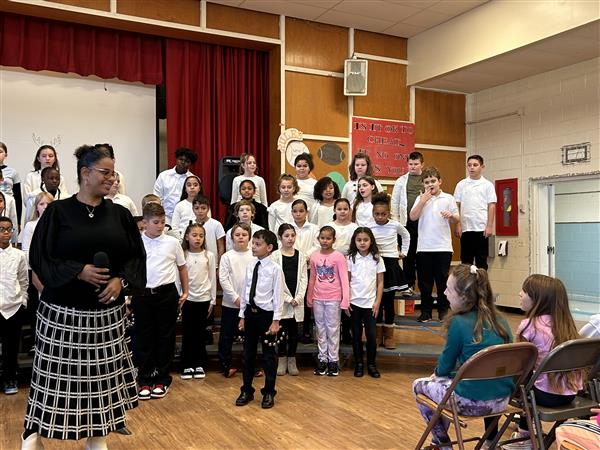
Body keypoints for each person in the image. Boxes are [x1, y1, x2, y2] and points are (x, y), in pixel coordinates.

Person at [24, 144, 146, 449]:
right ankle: (32, 433)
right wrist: (78, 271)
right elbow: (40, 258)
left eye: (113, 172)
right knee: (53, 379)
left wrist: (120, 280)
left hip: (106, 318)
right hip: (61, 315)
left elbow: (136, 258)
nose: (111, 178)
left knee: (99, 381)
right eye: (105, 172)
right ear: (85, 173)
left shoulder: (119, 214)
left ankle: (97, 437)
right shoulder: (57, 211)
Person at [412, 264, 514, 450]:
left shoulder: (459, 323)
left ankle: (442, 443)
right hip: (502, 401)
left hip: (470, 403)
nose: (444, 293)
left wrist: (438, 375)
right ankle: (490, 441)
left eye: (448, 289)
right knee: (459, 383)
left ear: (464, 296)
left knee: (420, 385)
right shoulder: (501, 321)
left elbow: (443, 368)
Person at [502, 275, 584, 450]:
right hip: (570, 394)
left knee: (521, 381)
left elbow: (520, 366)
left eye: (524, 292)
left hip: (544, 395)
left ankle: (524, 437)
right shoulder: (566, 326)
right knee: (532, 380)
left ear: (537, 299)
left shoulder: (529, 325)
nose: (519, 294)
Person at [132, 202, 189, 401]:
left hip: (166, 294)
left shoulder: (172, 243)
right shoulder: (137, 242)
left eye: (163, 222)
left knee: (166, 336)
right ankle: (145, 378)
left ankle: (162, 378)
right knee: (143, 337)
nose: (160, 226)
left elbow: (182, 267)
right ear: (145, 222)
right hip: (142, 294)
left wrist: (186, 290)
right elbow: (132, 270)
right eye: (156, 222)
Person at [236, 229, 283, 409]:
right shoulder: (251, 266)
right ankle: (246, 389)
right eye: (253, 243)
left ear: (269, 248)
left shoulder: (274, 269)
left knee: (269, 356)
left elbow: (278, 295)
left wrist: (276, 320)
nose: (253, 247)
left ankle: (269, 392)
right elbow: (245, 291)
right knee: (248, 355)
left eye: (257, 244)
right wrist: (242, 315)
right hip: (250, 313)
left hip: (266, 315)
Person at [410, 167, 459, 323]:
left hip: (443, 247)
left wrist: (451, 216)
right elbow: (412, 217)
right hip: (424, 247)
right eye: (426, 182)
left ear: (439, 182)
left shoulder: (448, 198)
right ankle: (426, 311)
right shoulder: (421, 198)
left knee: (442, 281)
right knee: (424, 282)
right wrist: (423, 201)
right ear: (423, 184)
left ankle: (443, 311)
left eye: (433, 181)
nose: (430, 184)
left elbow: (457, 218)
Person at [307, 226, 350, 377]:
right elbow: (312, 278)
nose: (325, 241)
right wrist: (309, 296)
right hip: (318, 298)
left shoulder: (338, 257)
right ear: (318, 238)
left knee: (332, 329)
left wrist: (345, 300)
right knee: (320, 329)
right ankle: (322, 359)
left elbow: (344, 279)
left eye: (328, 238)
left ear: (334, 240)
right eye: (322, 238)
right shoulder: (314, 256)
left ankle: (333, 361)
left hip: (334, 298)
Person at [371, 192, 410, 349]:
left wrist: (404, 252)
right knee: (377, 302)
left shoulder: (395, 225)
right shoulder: (369, 226)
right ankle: (377, 334)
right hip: (375, 265)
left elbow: (406, 236)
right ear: (373, 213)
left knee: (389, 302)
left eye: (383, 214)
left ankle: (389, 336)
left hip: (391, 264)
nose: (380, 217)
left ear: (389, 213)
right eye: (377, 214)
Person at [179, 223, 216, 381]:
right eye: (194, 235)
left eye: (201, 236)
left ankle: (200, 363)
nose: (198, 238)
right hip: (188, 300)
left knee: (200, 333)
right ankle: (187, 364)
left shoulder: (209, 255)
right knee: (188, 333)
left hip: (204, 299)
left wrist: (212, 301)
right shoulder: (183, 255)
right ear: (187, 237)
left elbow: (212, 279)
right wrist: (181, 297)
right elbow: (179, 278)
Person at [347, 227, 385, 378]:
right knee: (356, 335)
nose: (362, 243)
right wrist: (346, 300)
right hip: (354, 303)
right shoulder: (350, 258)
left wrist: (377, 302)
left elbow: (380, 282)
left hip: (370, 304)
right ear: (354, 241)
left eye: (365, 240)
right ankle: (359, 364)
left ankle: (371, 364)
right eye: (359, 240)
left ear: (371, 241)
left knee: (371, 335)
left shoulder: (377, 258)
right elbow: (347, 280)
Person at [218, 223, 254, 378]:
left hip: (251, 304)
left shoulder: (254, 255)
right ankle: (226, 364)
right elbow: (223, 279)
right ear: (231, 237)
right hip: (231, 303)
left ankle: (250, 366)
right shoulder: (227, 256)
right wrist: (235, 298)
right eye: (237, 235)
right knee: (226, 336)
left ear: (249, 237)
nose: (241, 237)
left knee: (250, 337)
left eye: (244, 235)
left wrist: (248, 300)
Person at [272, 224, 308, 376]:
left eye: (292, 235)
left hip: (296, 300)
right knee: (281, 331)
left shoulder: (301, 256)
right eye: (286, 236)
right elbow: (275, 280)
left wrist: (299, 297)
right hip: (282, 299)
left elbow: (303, 278)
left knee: (294, 333)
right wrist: (286, 298)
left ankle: (292, 359)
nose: (290, 239)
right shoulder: (274, 256)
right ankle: (281, 358)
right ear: (280, 238)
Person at [20, 192, 54, 342]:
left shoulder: (59, 225)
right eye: (42, 204)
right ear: (36, 208)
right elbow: (27, 252)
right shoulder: (31, 226)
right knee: (38, 306)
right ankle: (37, 339)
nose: (45, 207)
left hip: (54, 271)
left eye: (48, 204)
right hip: (37, 271)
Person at [0, 216, 28, 395]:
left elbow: (23, 280)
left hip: (13, 306)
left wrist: (23, 299)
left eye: (8, 229)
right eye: (1, 229)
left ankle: (10, 378)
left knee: (11, 347)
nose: (5, 233)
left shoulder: (19, 255)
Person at [453, 155, 496, 270]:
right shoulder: (461, 184)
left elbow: (491, 205)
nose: (472, 168)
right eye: (469, 165)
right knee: (466, 262)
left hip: (481, 228)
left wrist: (489, 226)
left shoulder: (487, 185)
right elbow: (456, 205)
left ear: (482, 167)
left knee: (481, 262)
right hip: (466, 228)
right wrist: (458, 224)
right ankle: (467, 287)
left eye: (475, 165)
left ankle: (481, 287)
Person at [390, 151, 424, 293]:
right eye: (410, 164)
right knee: (408, 256)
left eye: (416, 164)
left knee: (422, 256)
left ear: (422, 164)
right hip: (406, 224)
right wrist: (397, 223)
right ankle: (409, 285)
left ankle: (424, 288)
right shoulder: (401, 181)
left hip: (423, 224)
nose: (413, 167)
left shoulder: (427, 179)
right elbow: (395, 202)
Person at [291, 199, 319, 343]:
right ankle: (293, 332)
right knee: (293, 299)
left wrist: (304, 257)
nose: (298, 214)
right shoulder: (288, 228)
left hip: (308, 268)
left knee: (306, 300)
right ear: (291, 213)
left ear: (306, 212)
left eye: (301, 211)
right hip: (291, 268)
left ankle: (306, 331)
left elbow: (317, 245)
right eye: (295, 211)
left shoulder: (314, 228)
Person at [153, 147, 198, 224]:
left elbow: (195, 200)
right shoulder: (163, 176)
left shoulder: (194, 180)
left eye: (187, 161)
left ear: (191, 163)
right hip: (165, 217)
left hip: (185, 218)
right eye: (181, 159)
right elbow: (157, 197)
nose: (183, 162)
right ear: (176, 159)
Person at [192, 194, 225, 263]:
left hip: (213, 263)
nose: (200, 211)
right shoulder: (190, 225)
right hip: (195, 262)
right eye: (197, 208)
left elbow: (221, 247)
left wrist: (219, 265)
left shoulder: (216, 224)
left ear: (208, 209)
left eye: (203, 208)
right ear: (193, 209)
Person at [0, 142, 23, 222]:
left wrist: (19, 221)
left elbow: (18, 197)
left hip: (9, 206)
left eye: (0, 152)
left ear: (5, 155)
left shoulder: (13, 172)